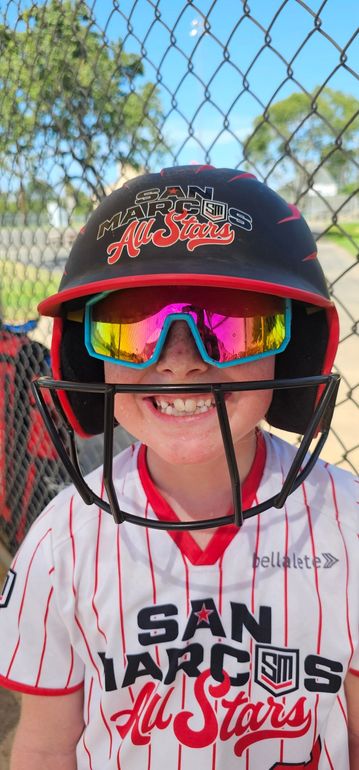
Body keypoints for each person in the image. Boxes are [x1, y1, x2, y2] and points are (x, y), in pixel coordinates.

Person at [0, 166, 358, 770]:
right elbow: (45, 743)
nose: (180, 364)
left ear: (291, 347)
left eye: (231, 325)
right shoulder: (61, 541)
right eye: (132, 329)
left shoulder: (347, 522)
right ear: (88, 360)